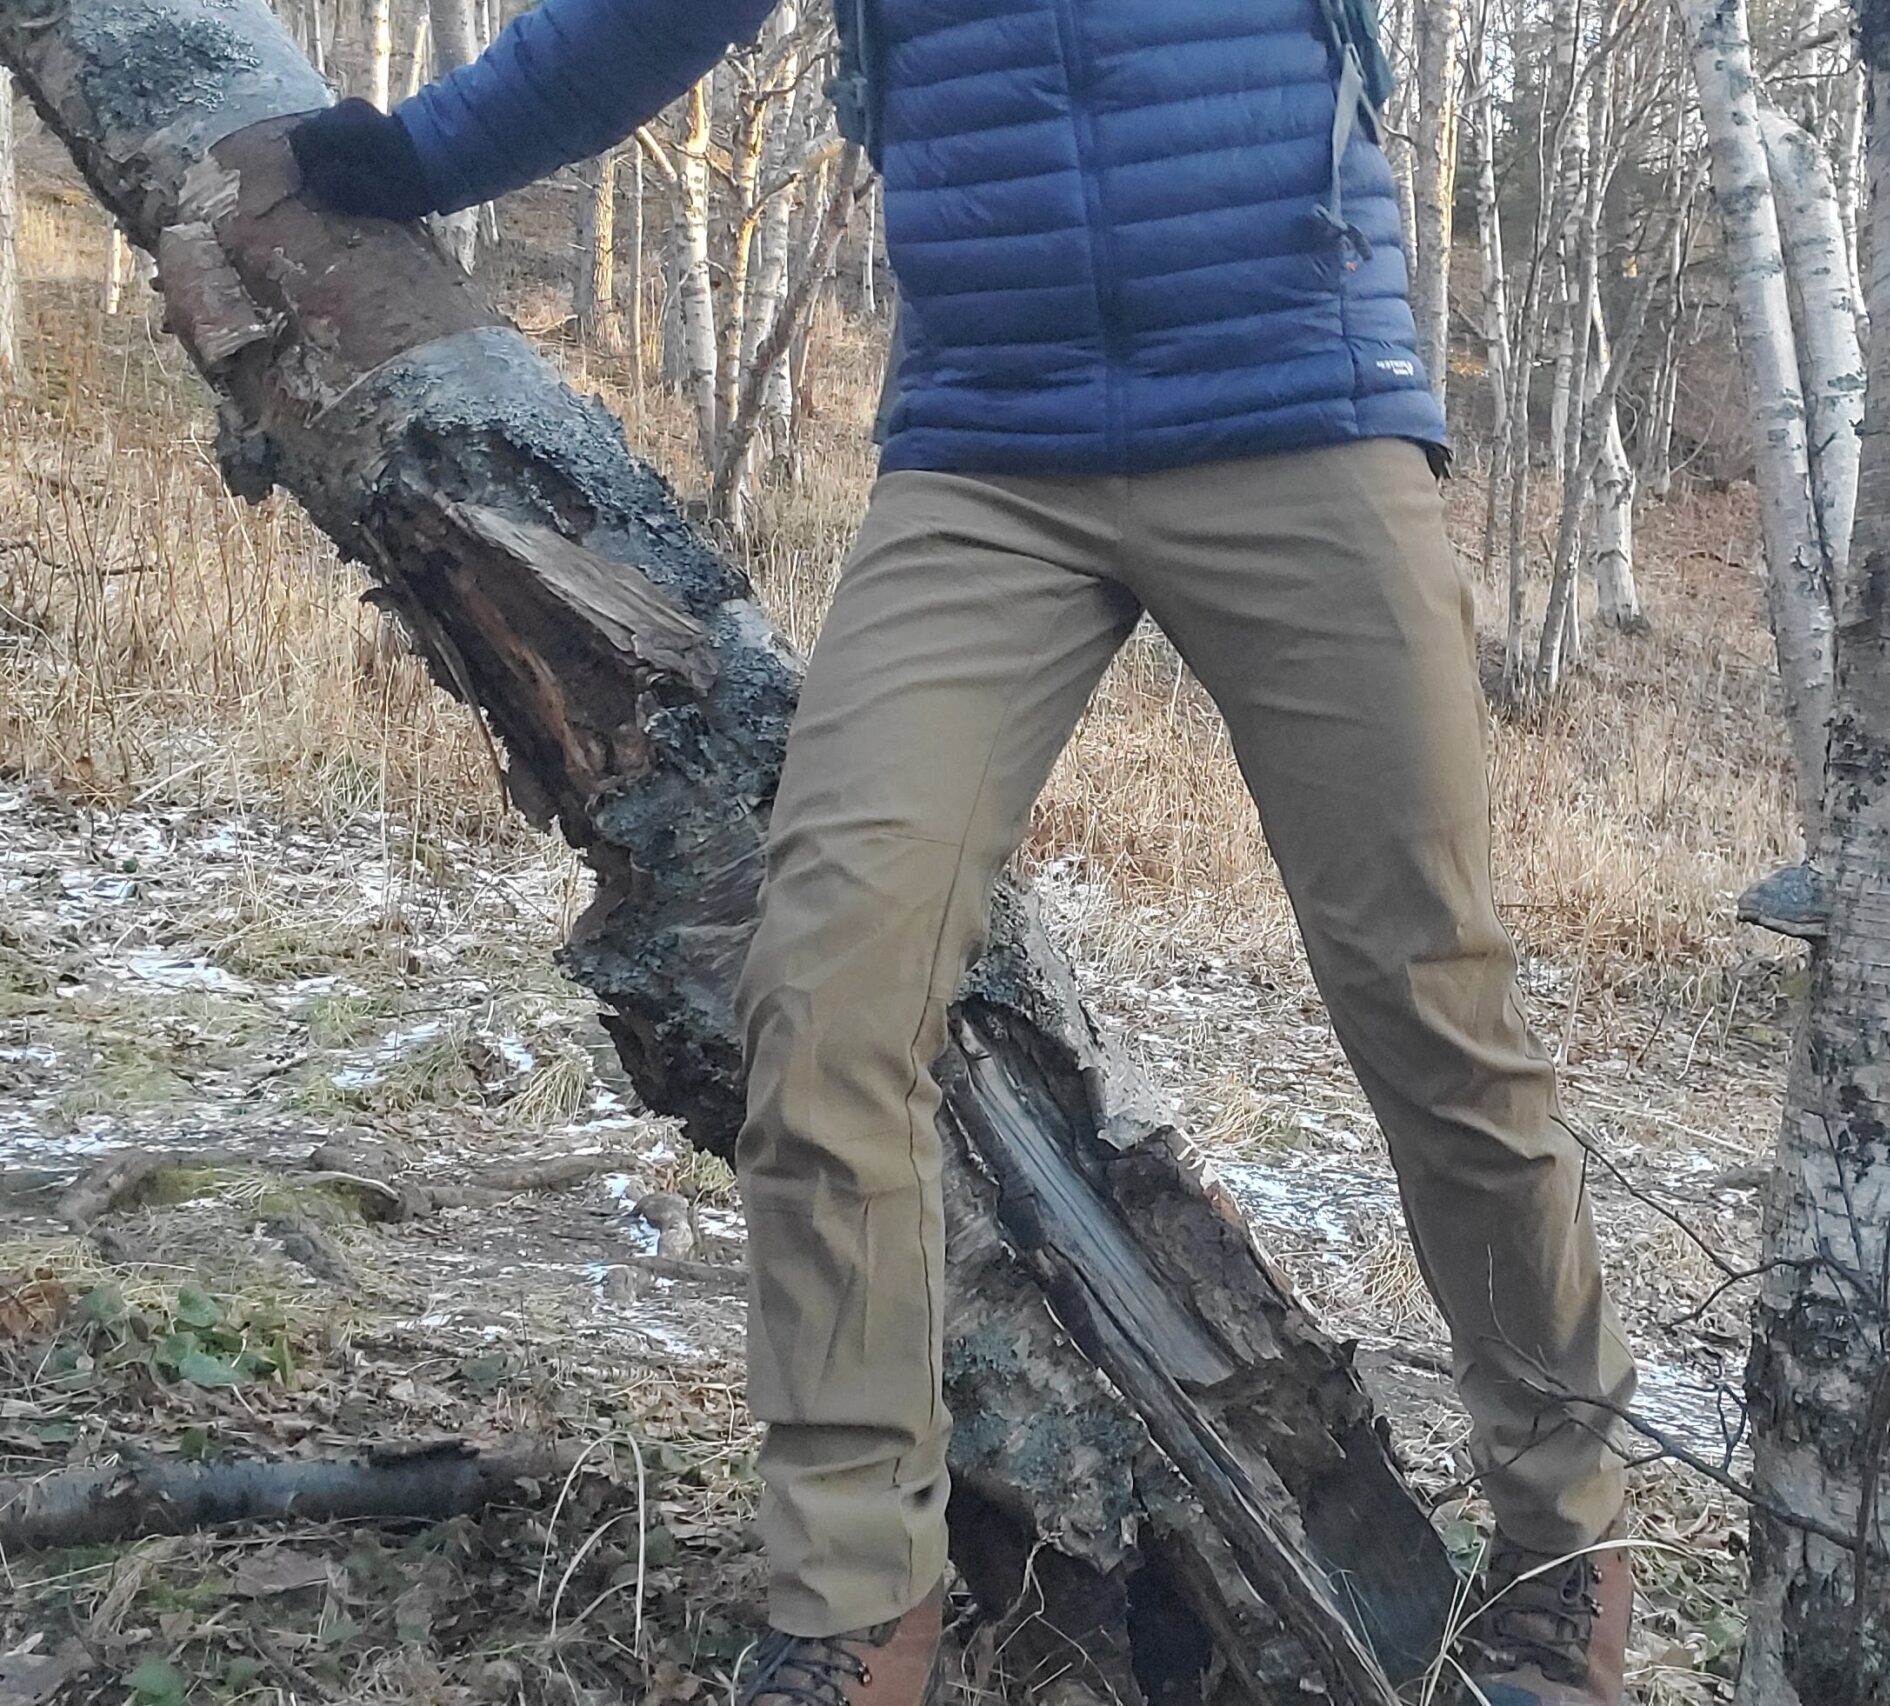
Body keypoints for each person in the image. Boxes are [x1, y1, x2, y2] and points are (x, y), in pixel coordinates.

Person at [288, 3, 1637, 1700]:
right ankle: (858, 1599)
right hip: (990, 455)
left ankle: (1563, 1549)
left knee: (1432, 1000)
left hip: (1302, 402)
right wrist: (421, 157)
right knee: (827, 986)